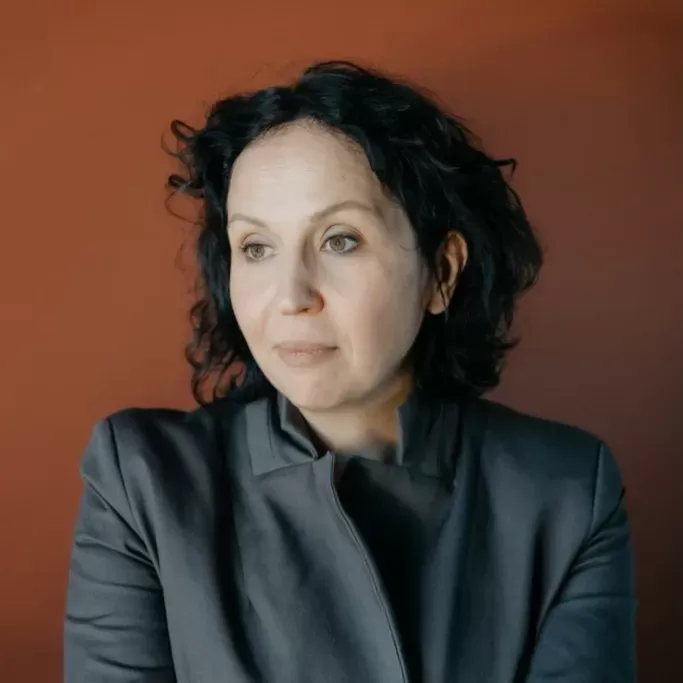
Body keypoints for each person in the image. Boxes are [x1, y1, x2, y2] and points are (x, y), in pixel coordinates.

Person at [63, 60, 636, 682]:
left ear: (441, 273)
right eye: (256, 247)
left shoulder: (566, 493)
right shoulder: (141, 483)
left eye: (340, 240)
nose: (291, 295)